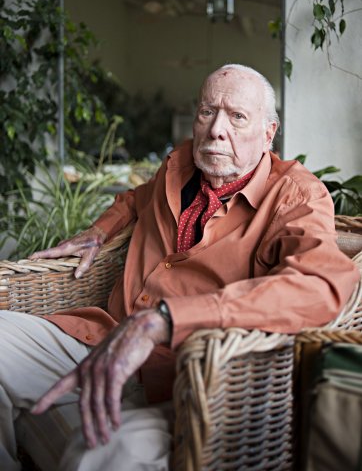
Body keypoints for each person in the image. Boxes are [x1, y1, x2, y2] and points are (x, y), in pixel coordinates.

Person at [0, 64, 359, 471]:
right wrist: (99, 231)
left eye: (237, 116)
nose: (216, 129)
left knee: (102, 455)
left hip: (184, 377)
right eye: (208, 111)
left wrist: (168, 320)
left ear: (268, 132)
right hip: (102, 334)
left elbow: (319, 285)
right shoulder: (179, 164)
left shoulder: (296, 195)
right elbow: (134, 199)